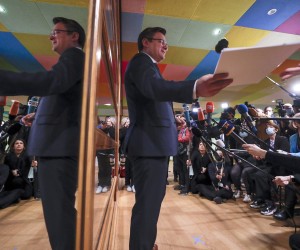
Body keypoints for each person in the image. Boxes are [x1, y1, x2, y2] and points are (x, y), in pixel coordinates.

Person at [123, 26, 233, 250]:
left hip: (153, 145)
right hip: (148, 146)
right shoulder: (140, 62)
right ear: (145, 42)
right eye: (161, 40)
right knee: (147, 205)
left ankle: (145, 243)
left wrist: (173, 121)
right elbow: (155, 88)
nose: (165, 45)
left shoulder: (150, 67)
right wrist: (194, 87)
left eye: (166, 42)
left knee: (151, 203)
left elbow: (152, 98)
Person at [0, 17, 85, 249]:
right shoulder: (71, 62)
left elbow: (52, 82)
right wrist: (37, 118)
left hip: (59, 147)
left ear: (74, 35)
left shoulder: (75, 57)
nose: (51, 36)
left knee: (58, 215)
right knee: (60, 214)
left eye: (56, 32)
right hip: (57, 145)